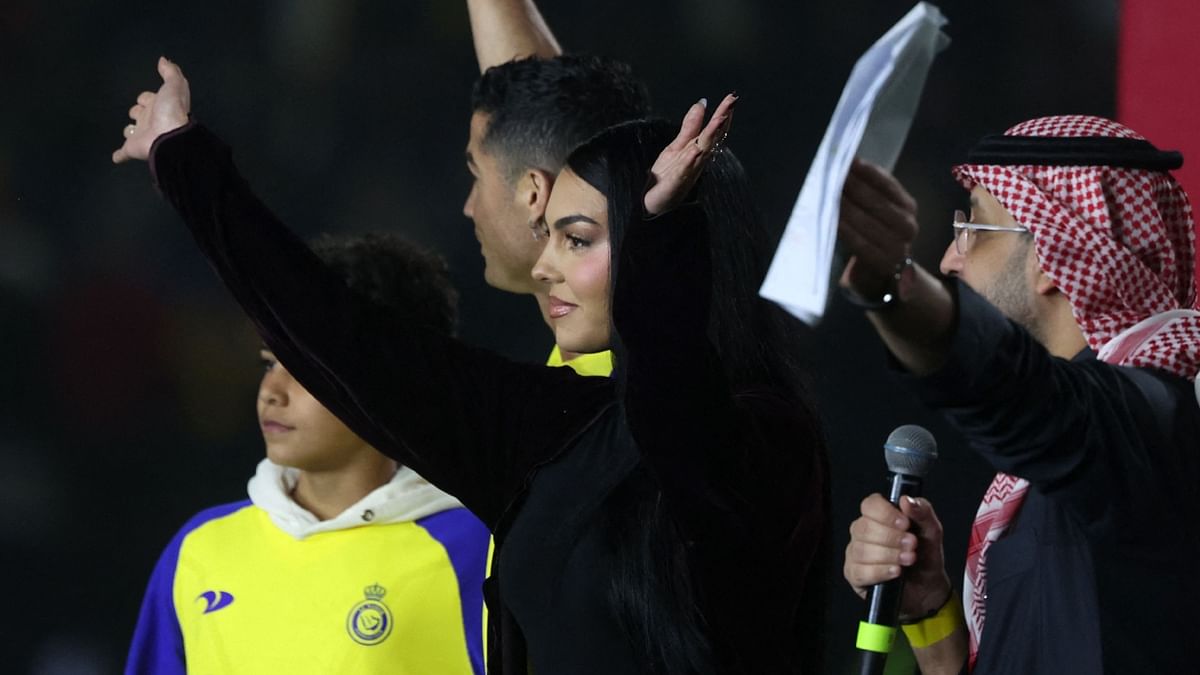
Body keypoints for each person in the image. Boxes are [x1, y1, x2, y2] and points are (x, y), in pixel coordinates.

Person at [114, 59, 829, 674]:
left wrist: (661, 242)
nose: (544, 265)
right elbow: (340, 336)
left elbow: (681, 425)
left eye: (578, 239)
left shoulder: (767, 442)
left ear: (682, 252)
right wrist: (184, 159)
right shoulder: (554, 430)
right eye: (547, 235)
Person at [837, 115, 1200, 674]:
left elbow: (1017, 394)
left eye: (974, 228)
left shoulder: (1155, 421)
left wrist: (893, 288)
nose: (949, 259)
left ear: (1054, 255)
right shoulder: (1053, 469)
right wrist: (928, 608)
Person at [124, 233, 490, 675]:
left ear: (394, 379)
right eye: (269, 363)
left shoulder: (479, 551)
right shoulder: (198, 549)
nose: (271, 392)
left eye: (305, 368)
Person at [462, 0, 650, 372]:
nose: (469, 207)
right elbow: (543, 122)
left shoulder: (619, 396)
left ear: (534, 195)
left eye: (476, 176)